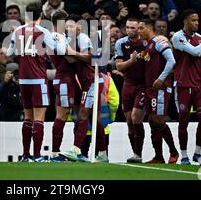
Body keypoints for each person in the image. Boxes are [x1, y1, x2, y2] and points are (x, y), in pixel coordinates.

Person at [7, 2, 65, 162]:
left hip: (23, 80)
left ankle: (26, 155)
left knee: (27, 117)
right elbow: (59, 50)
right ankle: (37, 156)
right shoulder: (44, 32)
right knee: (39, 118)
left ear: (26, 15)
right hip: (38, 79)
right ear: (41, 15)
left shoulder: (17, 31)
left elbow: (10, 53)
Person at [171, 9, 201, 165]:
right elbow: (195, 52)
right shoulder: (177, 37)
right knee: (183, 120)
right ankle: (184, 155)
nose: (197, 23)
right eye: (193, 20)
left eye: (198, 20)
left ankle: (197, 153)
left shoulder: (199, 38)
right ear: (185, 21)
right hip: (183, 85)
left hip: (198, 86)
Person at [60, 15, 108, 163]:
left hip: (93, 81)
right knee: (95, 119)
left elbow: (88, 58)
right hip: (85, 81)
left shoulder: (84, 39)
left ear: (78, 27)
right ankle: (103, 154)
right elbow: (69, 59)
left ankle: (76, 149)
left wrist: (73, 53)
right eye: (66, 26)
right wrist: (72, 54)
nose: (68, 29)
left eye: (71, 26)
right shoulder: (67, 40)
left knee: (83, 113)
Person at [138, 19, 179, 164]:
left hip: (160, 87)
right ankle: (158, 156)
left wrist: (161, 78)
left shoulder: (159, 42)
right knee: (152, 121)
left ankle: (174, 152)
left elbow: (171, 61)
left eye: (141, 28)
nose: (139, 31)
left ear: (149, 29)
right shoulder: (148, 45)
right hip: (151, 88)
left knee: (158, 120)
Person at [114, 18, 147, 163]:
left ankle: (138, 154)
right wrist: (132, 61)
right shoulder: (121, 43)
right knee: (129, 122)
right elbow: (119, 66)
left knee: (135, 117)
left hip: (143, 85)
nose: (129, 30)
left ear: (139, 29)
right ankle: (135, 153)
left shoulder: (146, 43)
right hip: (128, 85)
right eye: (127, 27)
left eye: (133, 28)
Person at [48, 11, 78, 161]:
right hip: (64, 78)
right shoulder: (56, 36)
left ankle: (74, 150)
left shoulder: (59, 36)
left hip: (65, 79)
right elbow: (70, 59)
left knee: (70, 114)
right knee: (62, 115)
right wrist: (84, 55)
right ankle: (54, 152)